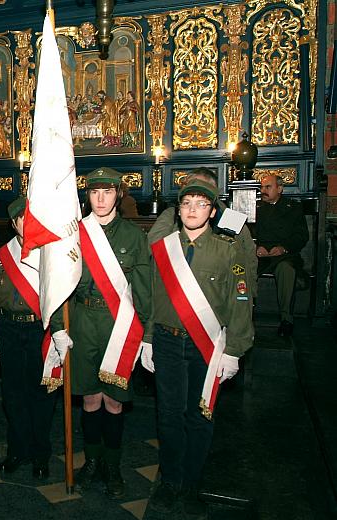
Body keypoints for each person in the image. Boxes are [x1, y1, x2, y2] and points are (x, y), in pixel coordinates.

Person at [142, 178, 254, 517]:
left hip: (205, 346)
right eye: (187, 203)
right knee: (169, 416)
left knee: (200, 417)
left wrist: (235, 348)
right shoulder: (164, 247)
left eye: (201, 204)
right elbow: (150, 295)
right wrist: (147, 339)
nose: (193, 210)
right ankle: (171, 481)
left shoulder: (227, 249)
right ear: (178, 211)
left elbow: (240, 298)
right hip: (165, 340)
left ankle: (191, 485)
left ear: (212, 210)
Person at [69, 167, 150, 498]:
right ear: (87, 197)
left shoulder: (134, 236)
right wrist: (61, 330)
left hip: (121, 324)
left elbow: (144, 288)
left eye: (107, 192)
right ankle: (92, 461)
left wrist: (147, 337)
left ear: (119, 194)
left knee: (114, 402)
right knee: (89, 399)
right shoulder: (75, 233)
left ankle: (112, 466)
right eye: (94, 193)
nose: (100, 199)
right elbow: (61, 288)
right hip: (84, 321)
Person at [0, 196, 71, 479]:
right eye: (21, 218)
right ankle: (17, 451)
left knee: (42, 395)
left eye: (30, 217)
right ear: (13, 223)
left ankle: (40, 454)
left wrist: (59, 330)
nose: (26, 222)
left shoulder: (52, 254)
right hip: (10, 329)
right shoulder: (3, 254)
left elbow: (59, 296)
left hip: (40, 330)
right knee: (12, 395)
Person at [148, 167, 257, 300]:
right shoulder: (173, 214)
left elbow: (248, 258)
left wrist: (249, 294)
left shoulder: (231, 218)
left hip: (217, 293)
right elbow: (153, 247)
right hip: (176, 288)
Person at [255, 174, 309, 337]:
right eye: (262, 187)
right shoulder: (255, 208)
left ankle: (287, 319)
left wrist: (284, 248)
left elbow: (301, 236)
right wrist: (256, 247)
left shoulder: (293, 208)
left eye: (267, 187)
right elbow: (245, 232)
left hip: (284, 255)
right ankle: (242, 316)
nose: (263, 191)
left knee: (286, 269)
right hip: (260, 254)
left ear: (279, 189)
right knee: (241, 267)